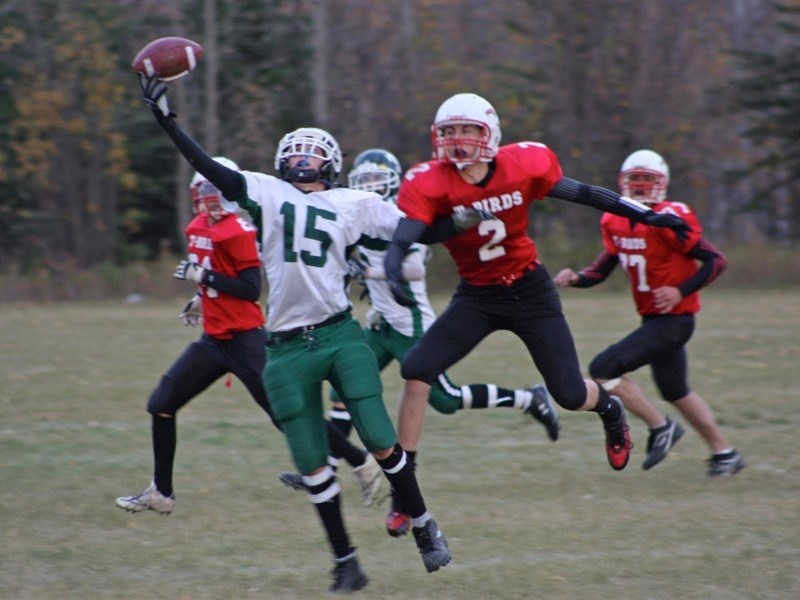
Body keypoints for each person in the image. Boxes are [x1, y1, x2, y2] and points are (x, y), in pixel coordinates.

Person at [135, 74, 474, 594]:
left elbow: (418, 227)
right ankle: (346, 562)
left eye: (313, 153)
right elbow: (207, 167)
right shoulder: (264, 194)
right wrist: (165, 117)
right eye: (295, 151)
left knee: (381, 440)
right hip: (285, 346)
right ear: (279, 162)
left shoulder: (352, 203)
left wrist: (462, 217)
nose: (302, 159)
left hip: (340, 334)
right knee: (312, 464)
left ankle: (424, 523)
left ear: (331, 164)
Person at [383, 93, 693, 484]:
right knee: (416, 369)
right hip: (478, 296)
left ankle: (611, 410)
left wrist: (651, 216)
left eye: (467, 129)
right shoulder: (428, 179)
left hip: (530, 291)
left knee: (569, 393)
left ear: (489, 133)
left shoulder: (523, 164)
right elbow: (415, 230)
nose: (458, 139)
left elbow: (587, 195)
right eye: (449, 131)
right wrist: (393, 259)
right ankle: (404, 483)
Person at [277, 148, 560, 537]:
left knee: (444, 399)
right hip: (380, 327)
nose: (371, 188)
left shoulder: (408, 217)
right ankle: (325, 464)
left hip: (411, 325)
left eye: (378, 180)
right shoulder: (355, 209)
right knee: (340, 389)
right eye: (365, 181)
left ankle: (531, 399)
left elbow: (411, 266)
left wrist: (370, 271)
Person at [115, 159, 382, 518]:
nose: (209, 200)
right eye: (203, 192)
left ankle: (360, 460)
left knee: (288, 417)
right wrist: (200, 299)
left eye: (215, 192)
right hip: (213, 342)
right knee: (161, 403)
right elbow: (216, 278)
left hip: (246, 341)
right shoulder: (197, 227)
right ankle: (162, 492)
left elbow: (249, 288)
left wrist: (204, 277)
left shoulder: (238, 229)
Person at [553, 149, 744, 477]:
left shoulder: (672, 217)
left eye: (647, 179)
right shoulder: (614, 218)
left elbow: (716, 260)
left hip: (676, 320)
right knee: (675, 390)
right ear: (622, 182)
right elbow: (603, 269)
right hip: (654, 319)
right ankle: (724, 453)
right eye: (634, 179)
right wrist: (578, 279)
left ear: (662, 184)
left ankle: (661, 428)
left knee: (603, 368)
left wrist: (680, 290)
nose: (640, 185)